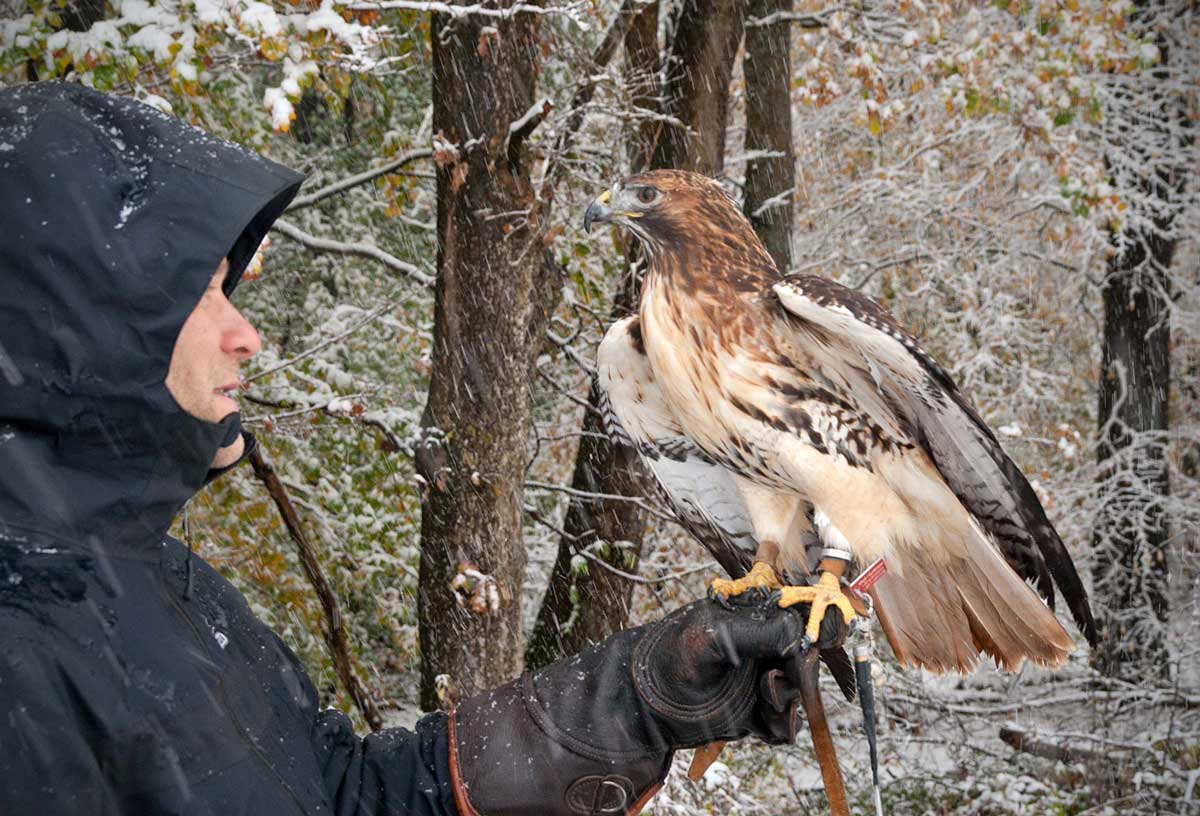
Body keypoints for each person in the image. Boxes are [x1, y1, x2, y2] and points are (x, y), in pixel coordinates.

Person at [0, 82, 833, 815]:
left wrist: (638, 697)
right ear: (80, 322)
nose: (244, 334)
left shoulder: (149, 581)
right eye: (201, 293)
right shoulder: (22, 660)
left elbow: (348, 796)